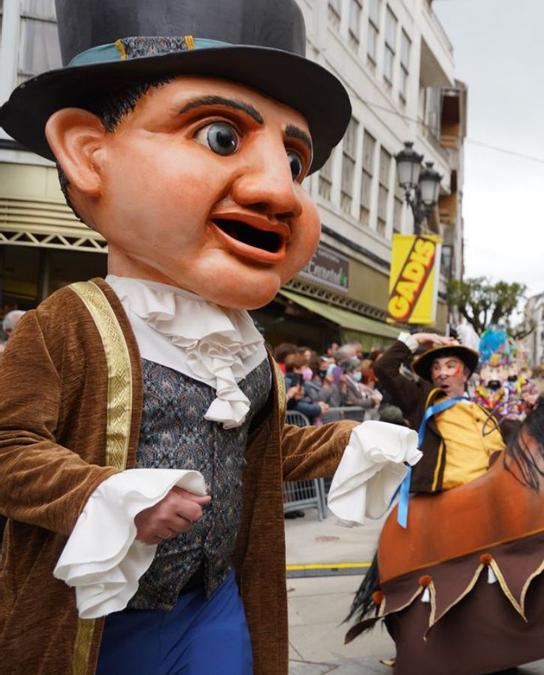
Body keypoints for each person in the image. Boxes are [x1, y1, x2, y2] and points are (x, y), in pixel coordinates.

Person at [0, 3, 423, 672]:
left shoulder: (245, 347)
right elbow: (9, 447)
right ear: (88, 152)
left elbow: (259, 452)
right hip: (98, 614)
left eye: (293, 158)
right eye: (222, 137)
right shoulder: (68, 323)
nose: (280, 192)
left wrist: (350, 440)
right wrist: (106, 495)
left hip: (214, 601)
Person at [374, 333, 505, 493]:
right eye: (436, 368)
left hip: (489, 492)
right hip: (446, 497)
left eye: (450, 366)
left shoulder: (484, 412)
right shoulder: (421, 400)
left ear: (465, 375)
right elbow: (383, 368)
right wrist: (418, 338)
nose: (442, 373)